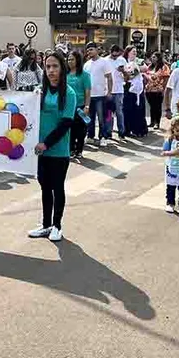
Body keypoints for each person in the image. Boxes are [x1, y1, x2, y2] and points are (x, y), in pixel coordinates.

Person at [28, 51, 77, 242]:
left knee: (57, 187)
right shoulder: (40, 91)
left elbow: (65, 124)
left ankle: (57, 225)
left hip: (58, 151)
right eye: (48, 66)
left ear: (62, 68)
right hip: (40, 151)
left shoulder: (69, 94)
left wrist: (46, 144)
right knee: (45, 187)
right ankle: (46, 224)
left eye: (55, 66)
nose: (51, 70)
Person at [83, 42, 113, 146]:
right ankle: (90, 136)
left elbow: (109, 77)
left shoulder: (104, 62)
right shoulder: (86, 64)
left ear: (97, 50)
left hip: (101, 95)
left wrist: (109, 92)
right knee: (89, 118)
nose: (89, 52)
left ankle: (103, 137)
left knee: (101, 117)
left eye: (91, 49)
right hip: (89, 96)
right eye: (88, 50)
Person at [66, 49, 91, 159]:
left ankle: (79, 150)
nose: (69, 62)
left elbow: (87, 91)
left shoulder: (84, 75)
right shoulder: (65, 74)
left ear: (78, 60)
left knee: (81, 130)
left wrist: (87, 106)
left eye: (72, 59)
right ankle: (71, 149)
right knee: (69, 129)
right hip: (68, 106)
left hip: (80, 106)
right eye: (68, 59)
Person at [122, 45, 148, 138]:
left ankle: (139, 130)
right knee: (127, 109)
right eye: (133, 52)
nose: (135, 53)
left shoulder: (139, 61)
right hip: (127, 86)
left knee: (139, 108)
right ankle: (127, 129)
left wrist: (135, 68)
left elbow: (144, 68)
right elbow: (125, 74)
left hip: (138, 87)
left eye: (135, 52)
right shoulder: (123, 61)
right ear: (128, 52)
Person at [104, 45, 127, 140]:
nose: (115, 57)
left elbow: (128, 76)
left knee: (119, 112)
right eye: (113, 55)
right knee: (109, 112)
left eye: (116, 55)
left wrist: (123, 71)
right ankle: (108, 132)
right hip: (108, 90)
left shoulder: (122, 60)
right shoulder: (105, 61)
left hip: (119, 90)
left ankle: (121, 132)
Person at [144, 52, 170, 129]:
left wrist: (164, 89)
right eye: (152, 57)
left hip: (158, 90)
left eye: (154, 57)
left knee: (157, 106)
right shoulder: (149, 67)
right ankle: (152, 121)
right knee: (152, 106)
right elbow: (146, 75)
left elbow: (166, 79)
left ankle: (157, 123)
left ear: (159, 58)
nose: (152, 58)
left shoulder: (164, 67)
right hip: (149, 90)